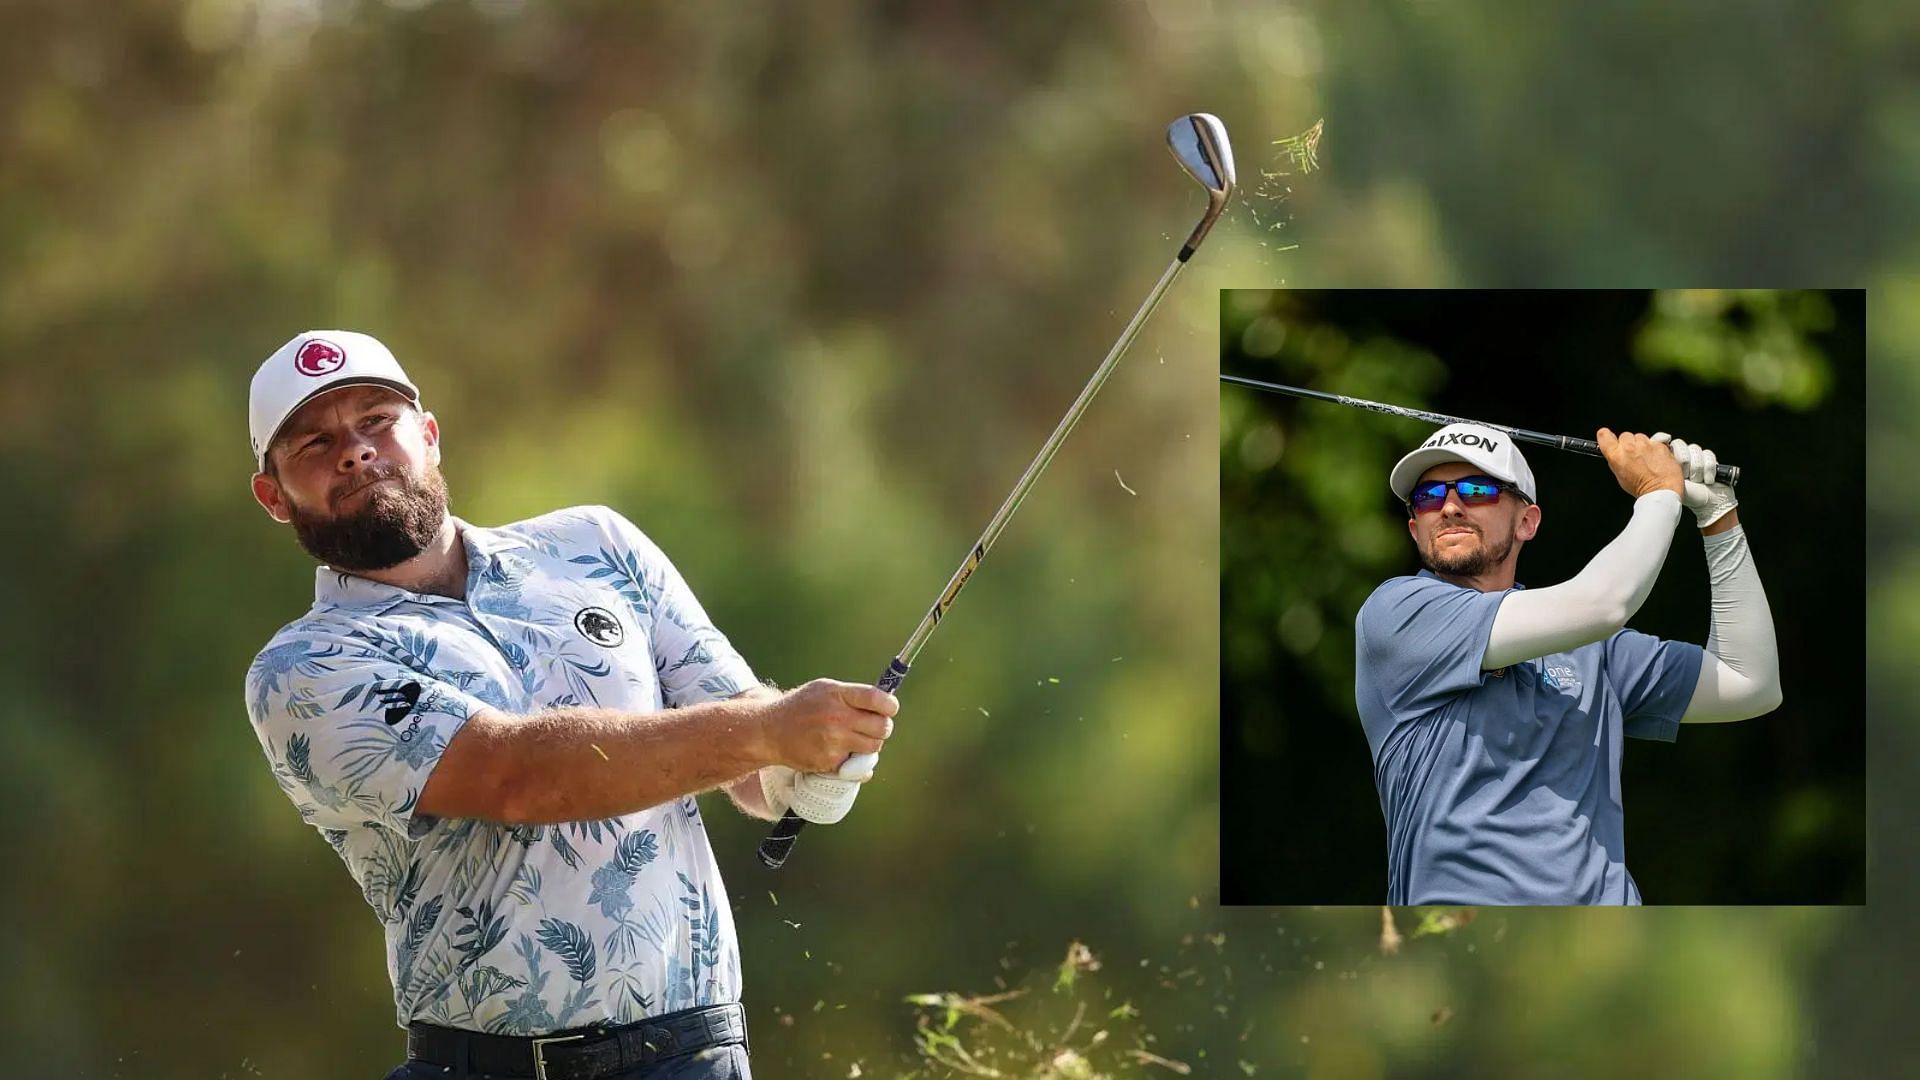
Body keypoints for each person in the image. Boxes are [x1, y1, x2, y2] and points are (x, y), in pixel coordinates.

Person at [242, 330, 893, 1079]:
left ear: (428, 434)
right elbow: (519, 778)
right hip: (487, 1067)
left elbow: (748, 759)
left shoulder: (597, 546)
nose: (354, 451)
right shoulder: (301, 669)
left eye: (376, 420)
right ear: (274, 498)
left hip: (691, 1055)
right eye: (315, 444)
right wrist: (765, 731)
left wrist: (812, 768)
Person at [1353, 422, 1782, 905]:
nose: (1450, 506)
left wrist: (1718, 519)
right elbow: (1602, 604)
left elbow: (1751, 683)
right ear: (1415, 527)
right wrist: (1660, 494)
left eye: (1477, 488)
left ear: (1527, 522)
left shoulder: (1590, 648)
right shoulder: (1398, 613)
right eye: (1429, 497)